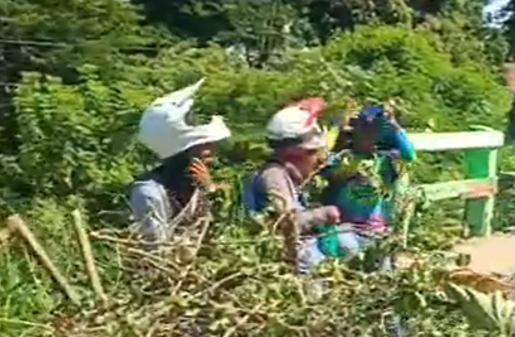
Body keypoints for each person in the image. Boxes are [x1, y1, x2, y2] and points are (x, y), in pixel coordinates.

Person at [243, 98, 341, 274]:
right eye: (311, 152)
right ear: (292, 153)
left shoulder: (288, 177)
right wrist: (322, 214)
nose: (316, 159)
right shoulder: (274, 176)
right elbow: (285, 223)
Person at [131, 79, 232, 246]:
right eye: (203, 146)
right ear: (181, 154)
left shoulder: (198, 187)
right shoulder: (149, 192)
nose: (211, 153)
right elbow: (156, 249)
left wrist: (211, 191)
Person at [321, 104, 416, 254]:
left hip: (375, 229)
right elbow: (322, 161)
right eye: (364, 131)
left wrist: (394, 126)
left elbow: (409, 155)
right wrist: (339, 126)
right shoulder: (344, 159)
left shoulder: (383, 160)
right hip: (346, 228)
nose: (369, 136)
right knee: (346, 249)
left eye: (374, 132)